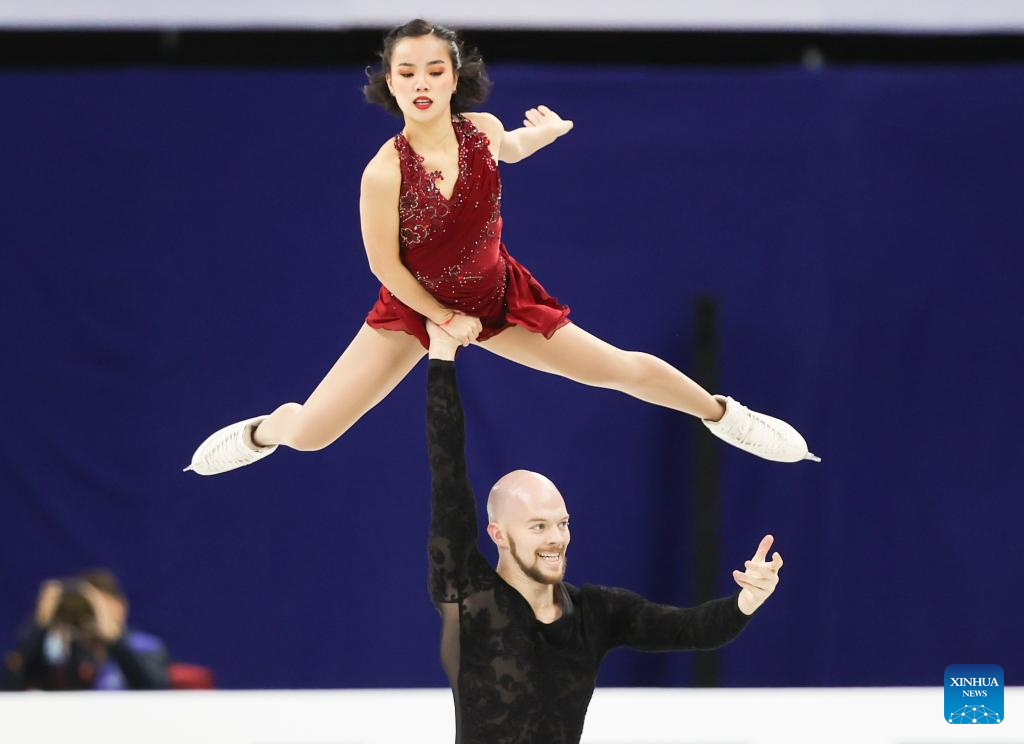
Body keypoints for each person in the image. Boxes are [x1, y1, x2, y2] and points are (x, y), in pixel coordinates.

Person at [184, 18, 818, 476]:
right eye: (408, 72)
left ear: (454, 77)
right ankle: (267, 428)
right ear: (391, 83)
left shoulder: (481, 130)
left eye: (435, 70)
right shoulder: (384, 171)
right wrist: (441, 316)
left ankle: (724, 415)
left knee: (618, 370)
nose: (422, 82)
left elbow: (508, 147)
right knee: (313, 436)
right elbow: (383, 265)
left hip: (497, 298)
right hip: (415, 309)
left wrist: (543, 135)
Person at [422, 320, 783, 742]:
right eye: (538, 526)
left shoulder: (594, 613)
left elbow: (692, 629)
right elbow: (448, 473)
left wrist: (746, 601)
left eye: (562, 523)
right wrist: (441, 356)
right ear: (498, 534)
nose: (556, 538)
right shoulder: (467, 594)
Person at [2, 569, 169, 691]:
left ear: (121, 606)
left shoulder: (145, 647)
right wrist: (40, 625)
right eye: (89, 609)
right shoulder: (61, 652)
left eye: (101, 607)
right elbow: (9, 687)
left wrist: (114, 639)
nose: (94, 615)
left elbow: (156, 691)